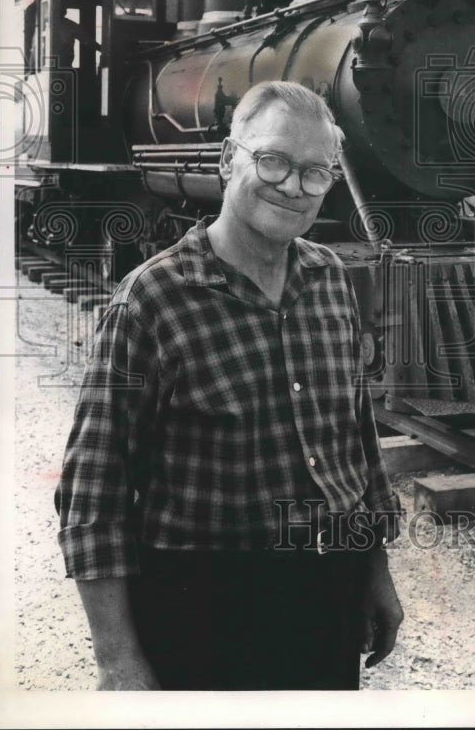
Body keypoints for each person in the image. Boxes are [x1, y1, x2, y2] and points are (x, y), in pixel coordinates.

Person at [56, 81, 404, 691]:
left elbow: (355, 443)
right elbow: (93, 492)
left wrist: (375, 572)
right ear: (226, 159)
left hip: (327, 594)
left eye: (316, 173)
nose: (293, 186)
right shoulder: (151, 301)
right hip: (202, 608)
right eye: (273, 161)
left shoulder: (332, 281)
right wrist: (117, 659)